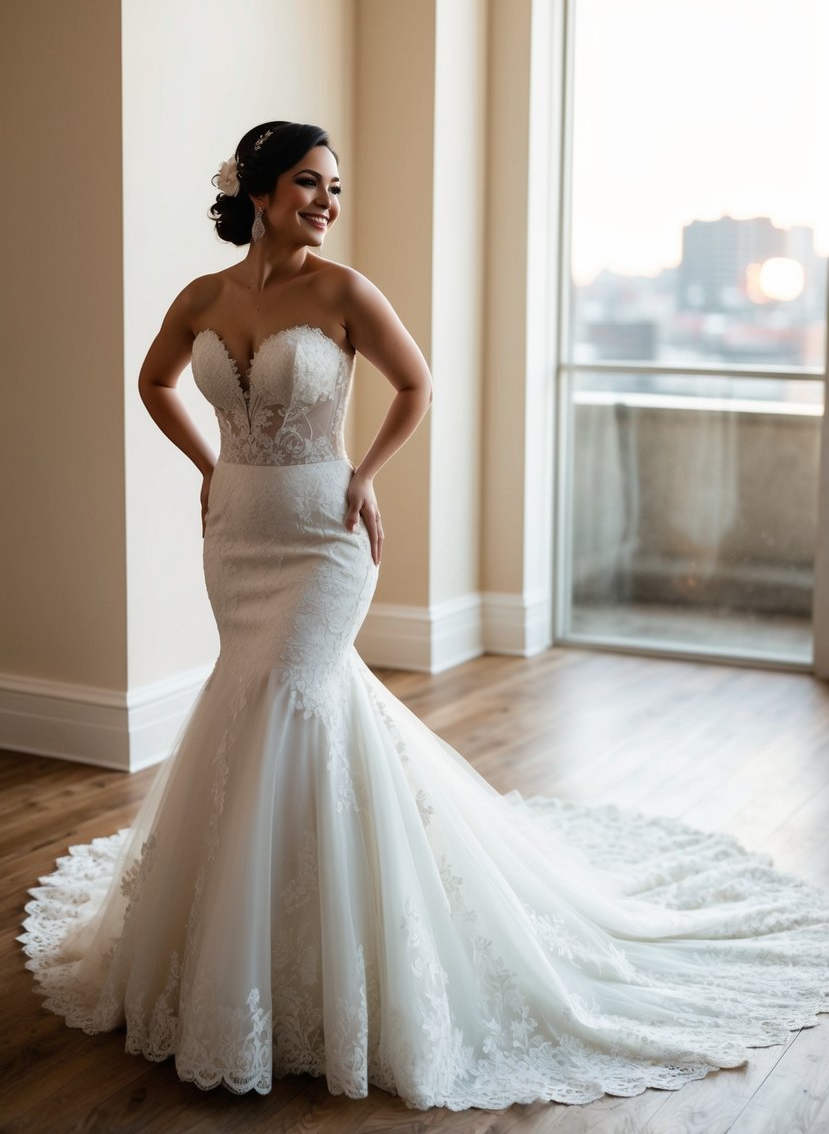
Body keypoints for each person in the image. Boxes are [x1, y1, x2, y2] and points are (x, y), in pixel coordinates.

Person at [19, 121, 829, 1112]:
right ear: (262, 192)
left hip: (322, 531)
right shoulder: (202, 297)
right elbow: (153, 381)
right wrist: (207, 467)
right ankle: (242, 951)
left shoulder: (346, 291)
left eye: (335, 187)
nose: (326, 201)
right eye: (310, 184)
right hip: (235, 534)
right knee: (248, 702)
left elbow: (416, 385)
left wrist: (360, 475)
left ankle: (340, 963)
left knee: (294, 696)